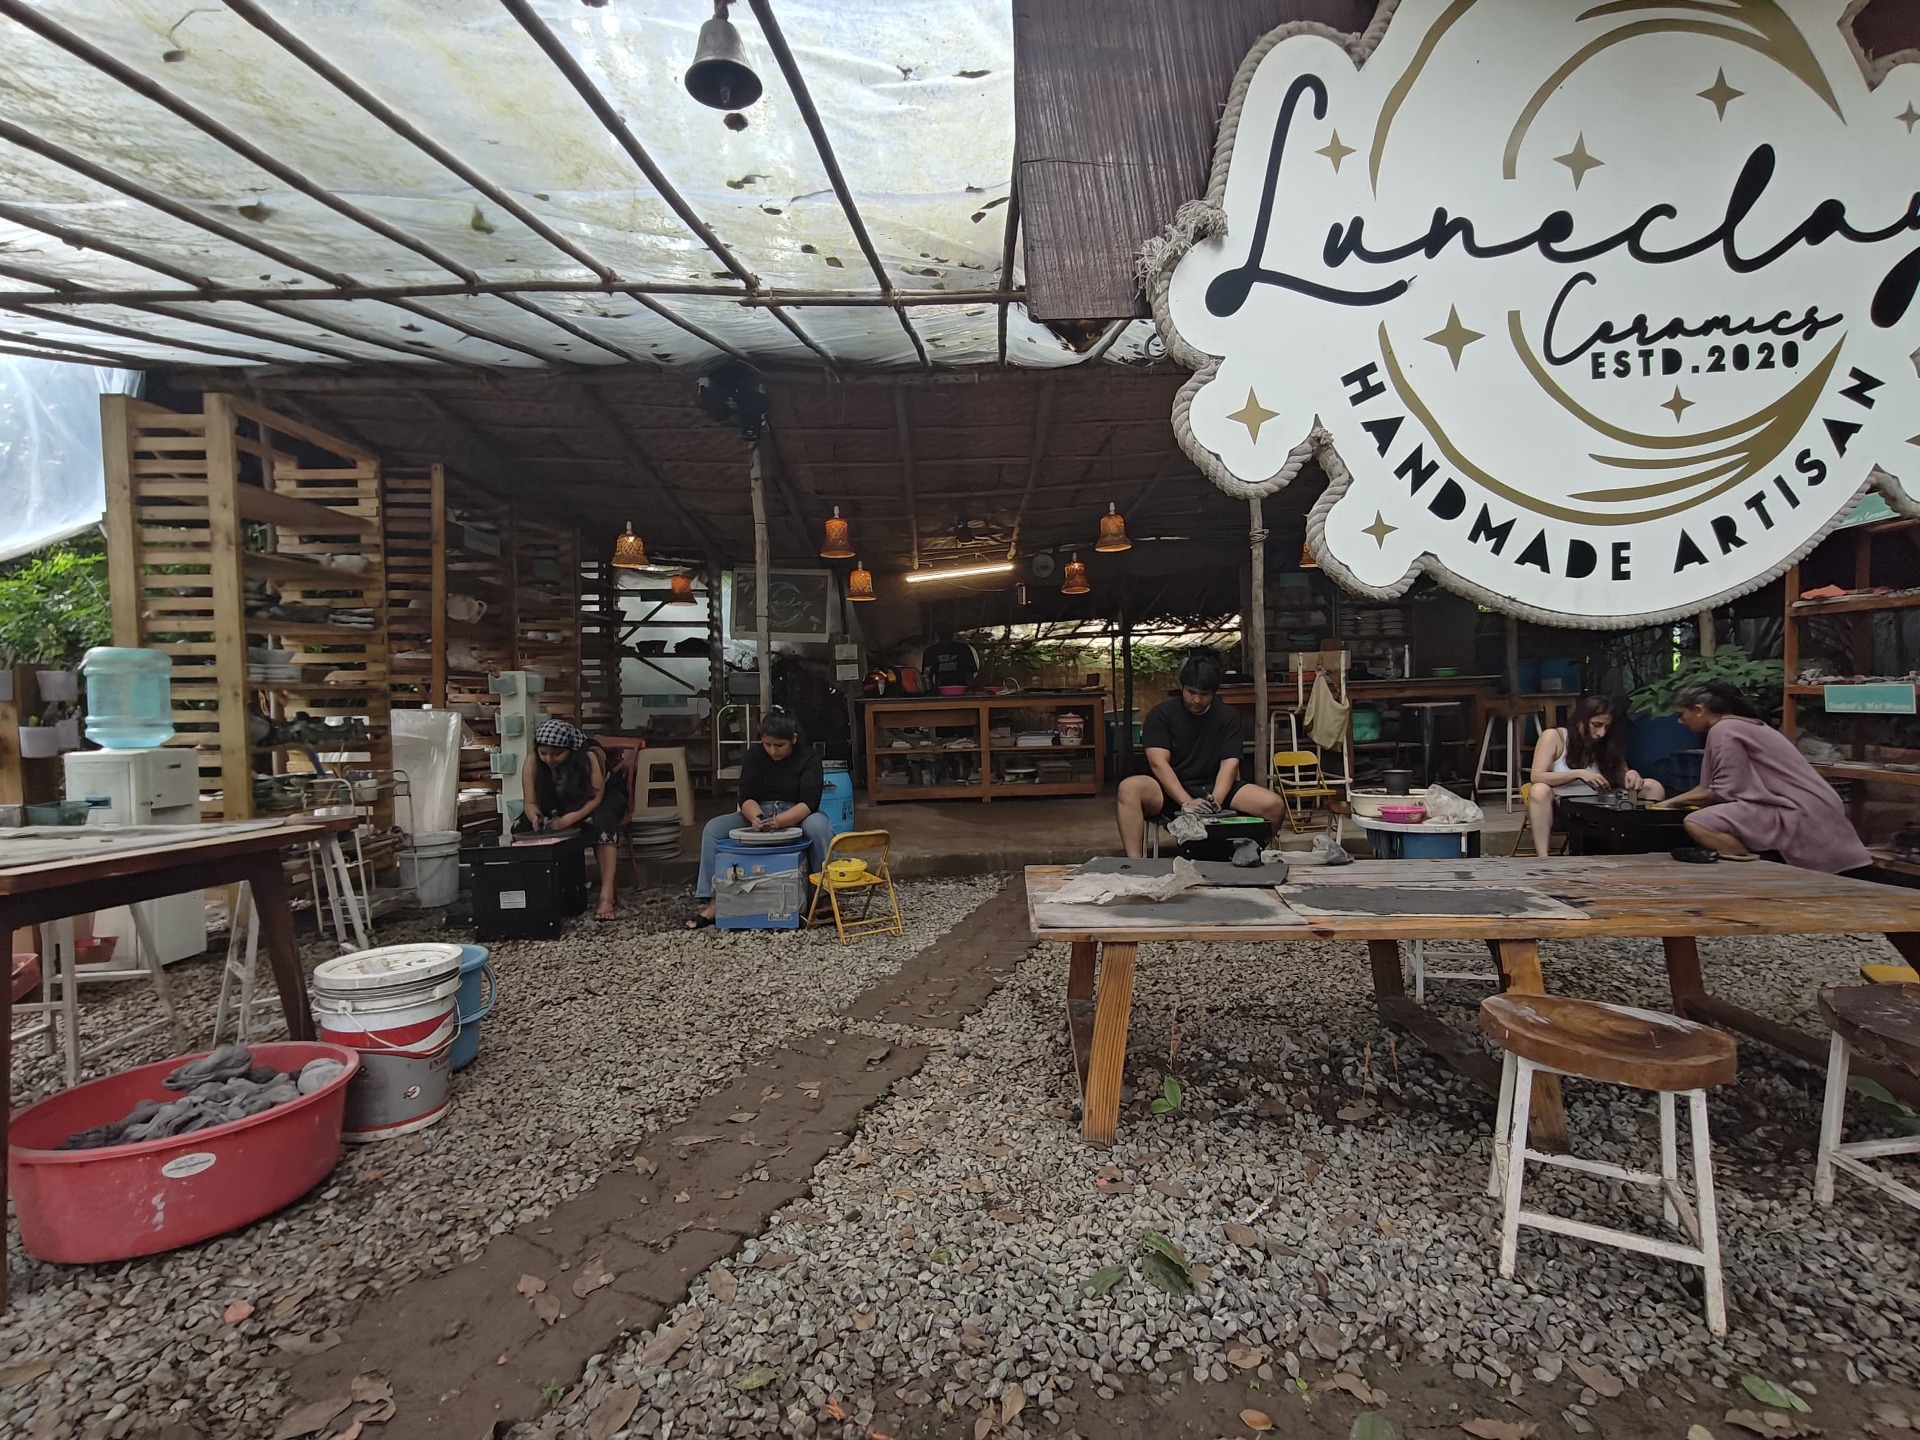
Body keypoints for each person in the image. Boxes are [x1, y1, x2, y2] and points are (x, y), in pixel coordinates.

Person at [1654, 679, 1871, 872]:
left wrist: (1665, 806)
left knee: (1698, 822)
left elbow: (1726, 789)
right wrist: (1669, 803)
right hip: (1813, 804)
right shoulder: (1738, 725)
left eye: (1682, 715)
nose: (1680, 722)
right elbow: (1709, 789)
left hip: (1795, 809)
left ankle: (1758, 873)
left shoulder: (1725, 730)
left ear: (1700, 710)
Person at [1116, 652, 1287, 858]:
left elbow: (1229, 764)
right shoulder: (1161, 715)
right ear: (1182, 687)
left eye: (1204, 694)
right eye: (1191, 692)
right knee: (1129, 788)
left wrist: (1216, 800)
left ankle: (1250, 856)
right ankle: (1136, 865)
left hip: (1212, 788)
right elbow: (1158, 763)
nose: (1196, 700)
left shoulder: (1227, 716)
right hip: (1169, 790)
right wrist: (1186, 802)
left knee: (1274, 805)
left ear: (1214, 693)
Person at [689, 710, 834, 929]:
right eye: (767, 745)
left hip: (796, 812)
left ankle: (824, 895)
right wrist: (756, 818)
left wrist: (780, 822)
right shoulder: (755, 756)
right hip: (758, 811)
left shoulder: (809, 758)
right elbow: (745, 796)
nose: (772, 751)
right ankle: (714, 901)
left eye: (779, 746)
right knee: (713, 829)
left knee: (819, 826)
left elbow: (809, 803)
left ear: (793, 739)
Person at [1525, 694, 1666, 858]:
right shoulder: (1555, 737)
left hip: (1600, 803)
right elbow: (1536, 776)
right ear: (1580, 720)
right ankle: (1543, 857)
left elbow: (1622, 776)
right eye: (1596, 725)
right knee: (1539, 790)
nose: (1601, 733)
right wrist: (1578, 774)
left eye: (1606, 727)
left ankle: (1644, 849)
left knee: (1652, 786)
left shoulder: (1607, 743)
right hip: (1561, 806)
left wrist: (1632, 774)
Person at [520, 718, 627, 921]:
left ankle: (606, 896)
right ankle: (535, 893)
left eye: (557, 754)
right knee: (522, 826)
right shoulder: (533, 760)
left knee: (603, 823)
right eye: (544, 753)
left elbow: (596, 797)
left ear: (570, 750)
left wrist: (570, 819)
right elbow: (530, 802)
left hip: (602, 797)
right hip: (561, 799)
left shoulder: (589, 757)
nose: (549, 759)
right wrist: (535, 818)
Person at [920, 623, 980, 692]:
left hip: (940, 693)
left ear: (936, 635)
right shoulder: (963, 648)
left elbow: (926, 677)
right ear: (953, 634)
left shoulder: (930, 651)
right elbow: (970, 673)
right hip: (960, 691)